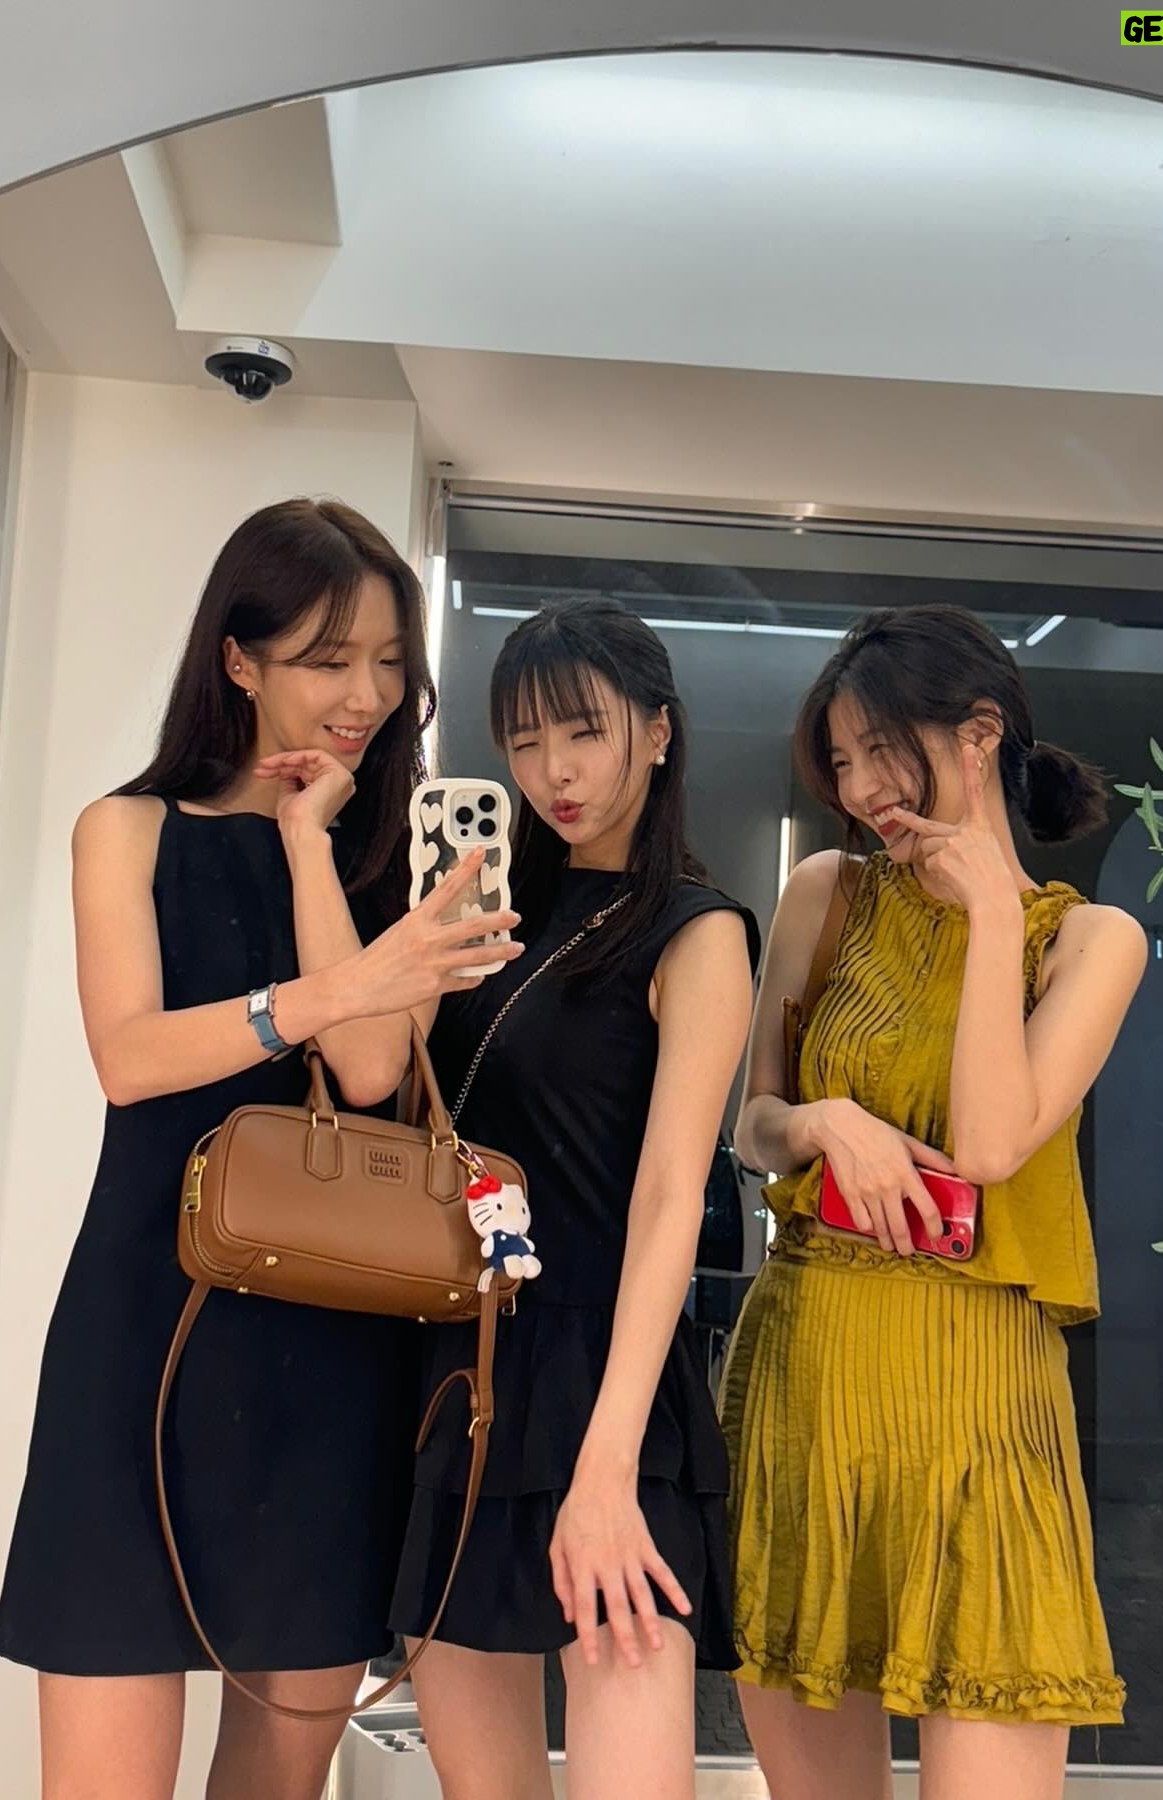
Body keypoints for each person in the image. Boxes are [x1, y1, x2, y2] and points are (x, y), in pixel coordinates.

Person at [0, 498, 521, 1800]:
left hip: (328, 1357)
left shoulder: (399, 857)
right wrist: (327, 990)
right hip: (142, 1336)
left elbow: (373, 1070)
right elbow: (130, 1057)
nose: (367, 695)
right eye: (329, 659)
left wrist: (306, 845)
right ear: (238, 659)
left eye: (389, 662)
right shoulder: (125, 830)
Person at [722, 604, 1147, 1800]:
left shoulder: (1091, 941)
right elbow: (752, 1125)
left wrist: (995, 912)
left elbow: (993, 1142)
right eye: (840, 762)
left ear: (978, 735)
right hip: (811, 1366)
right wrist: (825, 1121)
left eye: (879, 751)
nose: (861, 790)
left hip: (981, 1391)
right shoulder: (826, 893)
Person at [387, 598, 760, 1800]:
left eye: (584, 732)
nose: (553, 770)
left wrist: (607, 1468)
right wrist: (423, 936)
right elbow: (391, 1095)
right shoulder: (486, 914)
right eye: (525, 738)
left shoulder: (695, 932)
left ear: (658, 730)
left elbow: (668, 1202)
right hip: (463, 1376)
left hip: (611, 1386)